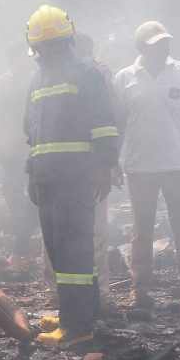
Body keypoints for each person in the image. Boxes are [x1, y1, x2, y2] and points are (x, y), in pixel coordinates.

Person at [24, 5, 119, 348]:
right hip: (48, 177)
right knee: (59, 247)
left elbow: (105, 122)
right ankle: (79, 311)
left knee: (72, 247)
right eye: (42, 47)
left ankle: (77, 327)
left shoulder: (86, 73)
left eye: (54, 45)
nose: (48, 52)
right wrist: (31, 171)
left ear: (67, 41)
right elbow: (32, 131)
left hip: (75, 177)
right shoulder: (39, 79)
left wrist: (105, 165)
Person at [112, 21, 180, 312]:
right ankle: (140, 291)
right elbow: (118, 125)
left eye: (165, 42)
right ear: (140, 47)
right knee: (140, 231)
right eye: (157, 43)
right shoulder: (124, 78)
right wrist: (112, 162)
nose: (164, 47)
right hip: (140, 168)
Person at [42, 33, 124, 314]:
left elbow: (111, 120)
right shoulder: (52, 79)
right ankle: (57, 293)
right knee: (56, 234)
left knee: (96, 232)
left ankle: (98, 294)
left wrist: (108, 163)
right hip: (58, 174)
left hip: (87, 172)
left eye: (91, 53)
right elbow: (39, 127)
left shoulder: (94, 77)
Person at [0, 41, 39, 270]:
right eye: (20, 58)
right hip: (9, 153)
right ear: (13, 60)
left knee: (34, 202)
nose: (25, 62)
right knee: (15, 204)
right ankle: (22, 251)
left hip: (33, 151)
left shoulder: (36, 80)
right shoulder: (1, 85)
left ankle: (21, 249)